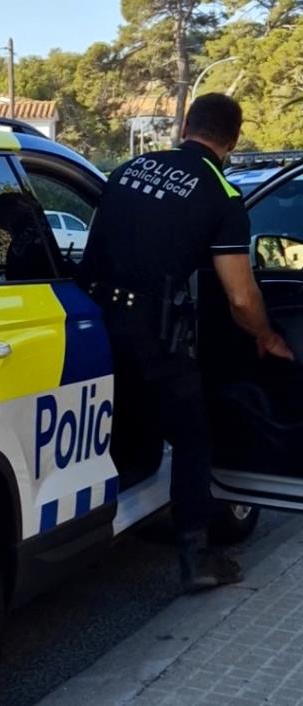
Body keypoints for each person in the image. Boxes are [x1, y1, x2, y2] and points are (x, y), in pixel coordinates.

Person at [79, 93, 294, 593]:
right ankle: (196, 556)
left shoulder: (129, 169)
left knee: (118, 424)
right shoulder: (220, 194)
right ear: (232, 140)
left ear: (187, 126)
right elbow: (241, 297)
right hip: (153, 335)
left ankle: (102, 519)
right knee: (194, 438)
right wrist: (266, 337)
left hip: (90, 325)